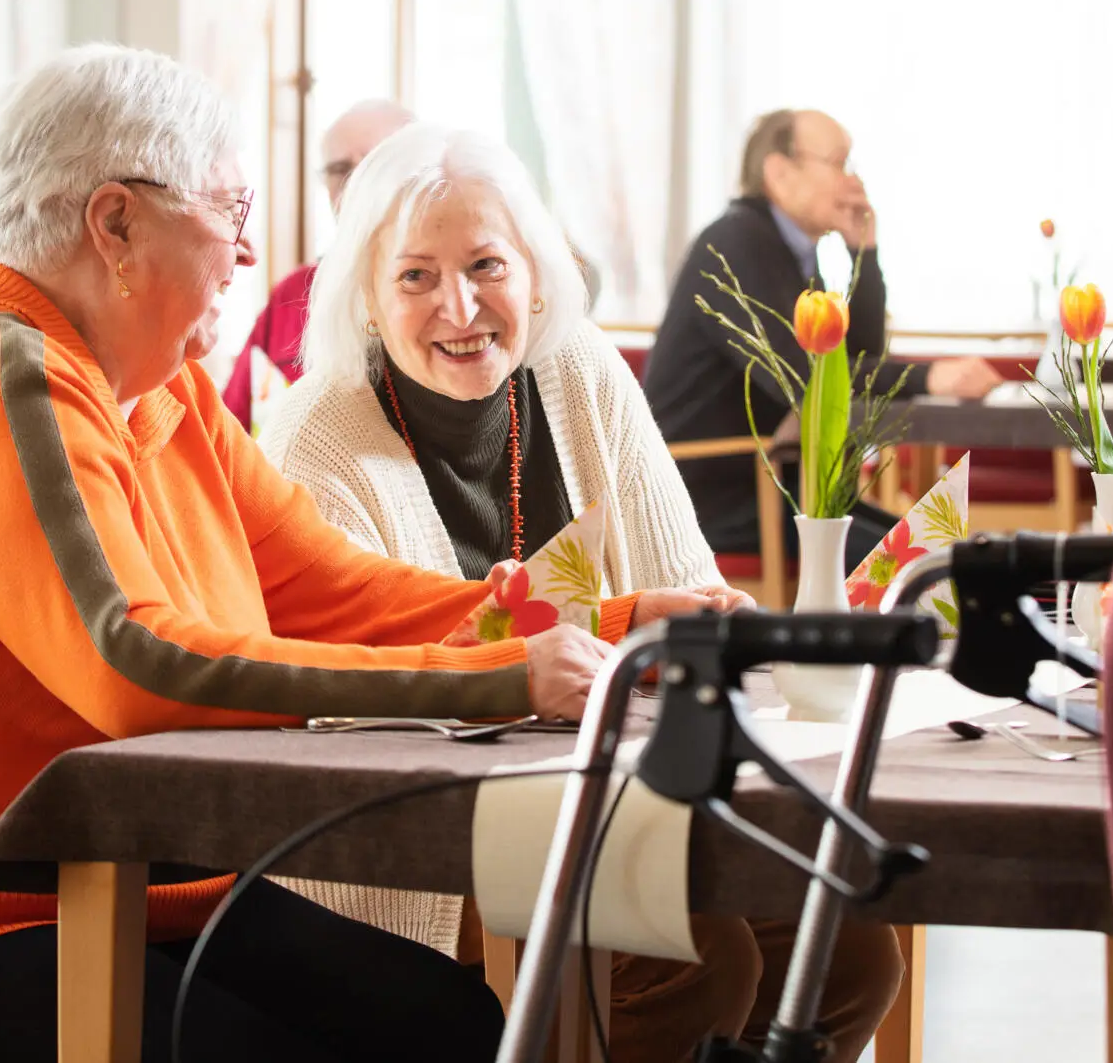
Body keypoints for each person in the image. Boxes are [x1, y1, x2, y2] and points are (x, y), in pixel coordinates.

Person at [0, 47, 739, 1063]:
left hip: (102, 886)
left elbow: (328, 587)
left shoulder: (159, 385)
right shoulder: (5, 385)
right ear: (116, 224)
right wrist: (500, 675)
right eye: (232, 212)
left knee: (455, 1027)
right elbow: (139, 665)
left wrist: (608, 627)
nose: (249, 254)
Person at [262, 123, 900, 1062]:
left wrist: (713, 622)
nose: (459, 307)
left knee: (847, 949)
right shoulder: (311, 436)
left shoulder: (579, 370)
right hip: (416, 830)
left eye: (486, 264)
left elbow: (685, 586)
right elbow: (354, 699)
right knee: (697, 961)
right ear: (366, 292)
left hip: (612, 793)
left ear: (535, 269)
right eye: (415, 276)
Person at [644, 109, 1000, 557]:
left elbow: (858, 359)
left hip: (773, 482)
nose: (852, 181)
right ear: (780, 173)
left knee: (936, 549)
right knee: (919, 560)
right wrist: (929, 378)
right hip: (705, 493)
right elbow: (806, 378)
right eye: (838, 163)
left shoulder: (788, 250)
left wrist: (863, 251)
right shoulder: (736, 244)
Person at [220, 99, 412, 431]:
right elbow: (225, 435)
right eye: (341, 170)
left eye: (375, 166)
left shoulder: (456, 297)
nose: (355, 185)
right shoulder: (292, 297)